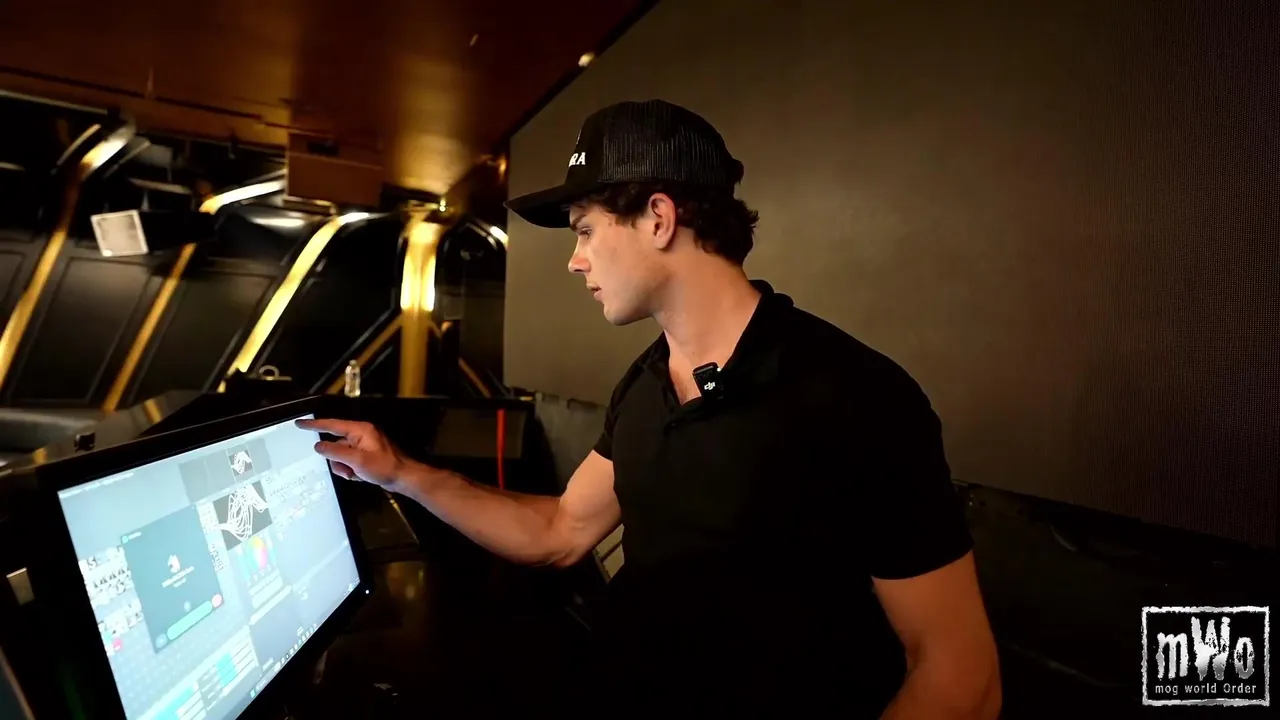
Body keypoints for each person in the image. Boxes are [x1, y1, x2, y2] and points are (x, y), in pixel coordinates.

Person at [299, 99, 1001, 717]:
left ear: (659, 218)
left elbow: (960, 679)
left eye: (584, 229)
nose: (575, 260)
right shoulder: (643, 384)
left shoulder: (855, 395)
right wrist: (401, 474)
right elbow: (561, 530)